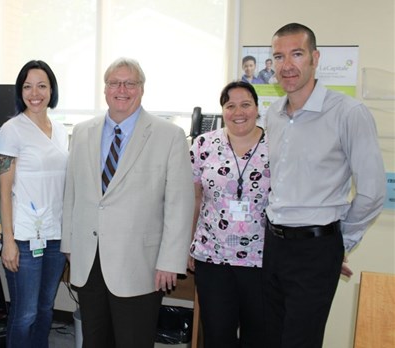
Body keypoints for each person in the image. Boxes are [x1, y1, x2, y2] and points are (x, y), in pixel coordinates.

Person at [263, 23, 386, 348]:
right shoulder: (272, 115)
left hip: (315, 249)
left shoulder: (348, 112)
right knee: (269, 337)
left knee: (299, 342)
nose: (287, 65)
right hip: (273, 245)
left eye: (297, 54)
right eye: (279, 56)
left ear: (315, 58)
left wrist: (339, 241)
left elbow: (372, 192)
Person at [61, 57, 194, 348]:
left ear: (142, 89)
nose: (122, 89)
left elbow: (179, 204)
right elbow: (72, 192)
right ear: (105, 89)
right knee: (94, 341)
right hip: (89, 259)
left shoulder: (169, 135)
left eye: (130, 83)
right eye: (114, 83)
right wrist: (68, 245)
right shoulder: (82, 132)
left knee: (133, 342)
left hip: (140, 264)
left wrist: (170, 261)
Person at [188, 81, 268, 348]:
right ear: (223, 111)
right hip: (213, 258)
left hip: (262, 260)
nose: (238, 112)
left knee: (259, 336)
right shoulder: (203, 145)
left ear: (257, 108)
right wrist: (188, 246)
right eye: (230, 105)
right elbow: (194, 199)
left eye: (245, 104)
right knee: (217, 335)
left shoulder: (276, 146)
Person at [0, 60, 69, 348]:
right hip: (24, 237)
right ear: (20, 91)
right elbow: (4, 190)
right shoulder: (12, 129)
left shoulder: (61, 130)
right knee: (24, 313)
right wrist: (8, 241)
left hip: (55, 236)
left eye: (41, 85)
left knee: (45, 309)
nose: (34, 93)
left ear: (52, 89)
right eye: (27, 86)